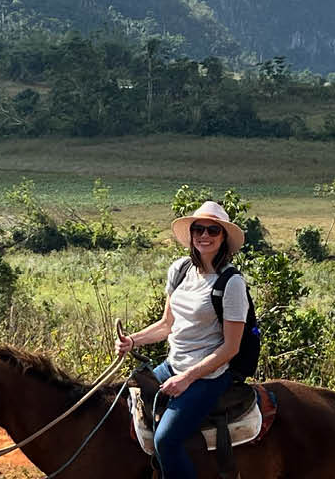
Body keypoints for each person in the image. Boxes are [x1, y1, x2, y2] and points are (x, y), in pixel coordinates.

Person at [116, 200, 250, 479]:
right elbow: (167, 324)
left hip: (209, 375)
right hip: (172, 365)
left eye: (213, 230)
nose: (204, 235)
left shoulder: (231, 284)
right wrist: (133, 340)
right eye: (198, 228)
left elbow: (231, 347)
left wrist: (188, 378)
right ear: (190, 234)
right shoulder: (180, 270)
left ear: (223, 237)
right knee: (123, 406)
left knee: (166, 441)